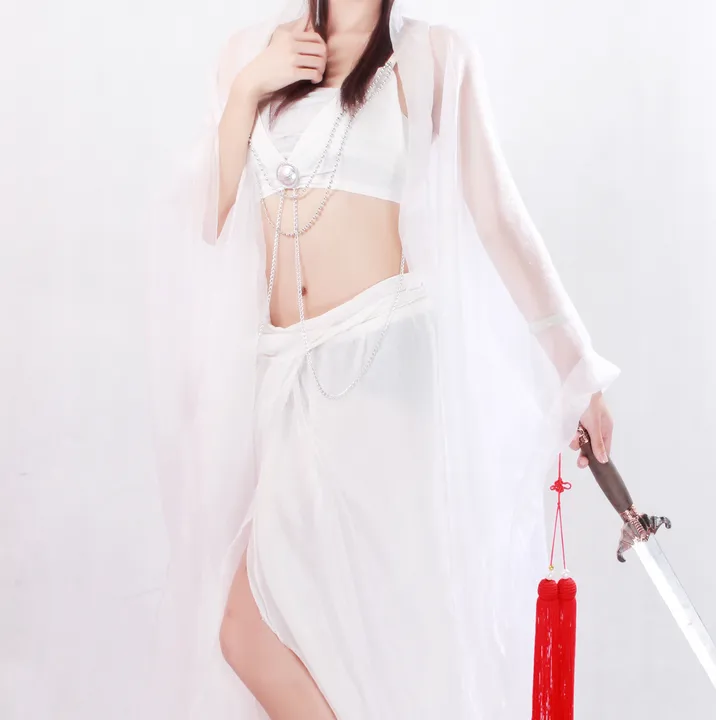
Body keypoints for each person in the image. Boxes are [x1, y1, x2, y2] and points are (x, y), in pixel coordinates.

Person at [147, 0, 620, 718]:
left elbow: (499, 219)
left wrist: (577, 369)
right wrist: (248, 90)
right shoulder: (249, 54)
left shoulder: (432, 56)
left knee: (366, 635)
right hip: (288, 379)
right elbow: (208, 219)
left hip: (382, 372)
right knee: (251, 630)